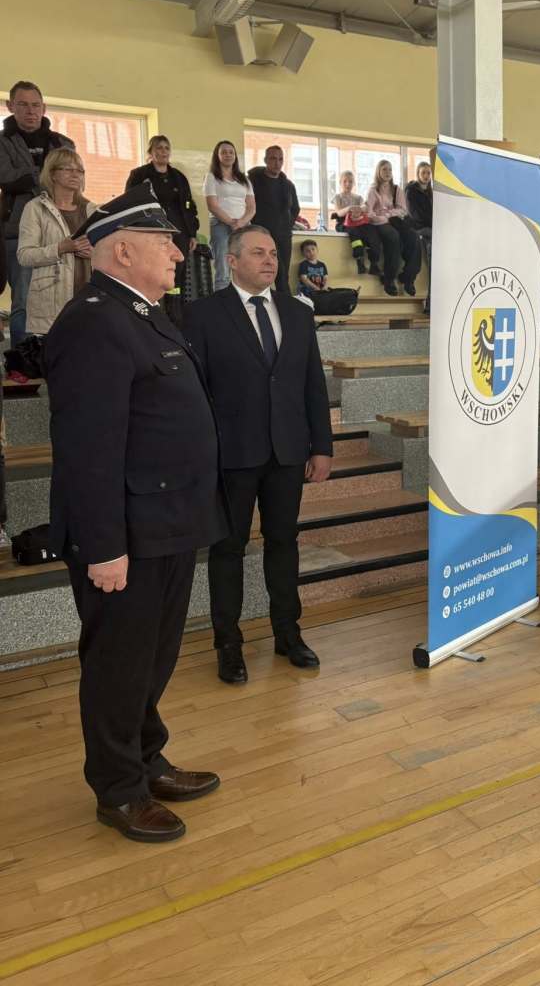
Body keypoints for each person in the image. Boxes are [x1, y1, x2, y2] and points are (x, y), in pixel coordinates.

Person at [44, 184, 228, 842]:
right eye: (165, 243)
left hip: (168, 524)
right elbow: (88, 449)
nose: (179, 254)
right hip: (127, 533)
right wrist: (103, 547)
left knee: (152, 659)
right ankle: (119, 789)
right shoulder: (94, 322)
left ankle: (147, 760)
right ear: (123, 251)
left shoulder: (143, 314)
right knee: (119, 665)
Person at [182, 225, 333, 684]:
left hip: (287, 452)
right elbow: (194, 393)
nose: (270, 260)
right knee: (227, 549)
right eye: (258, 253)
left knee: (283, 543)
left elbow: (313, 384)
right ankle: (228, 644)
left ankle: (288, 633)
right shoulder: (203, 315)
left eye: (273, 253)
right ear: (231, 261)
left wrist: (322, 446)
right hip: (231, 455)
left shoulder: (298, 313)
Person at [0, 81, 73, 346]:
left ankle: (57, 355)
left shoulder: (63, 143)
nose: (30, 111)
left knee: (62, 297)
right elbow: (7, 177)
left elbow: (73, 180)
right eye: (23, 105)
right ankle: (22, 359)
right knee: (24, 299)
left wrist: (30, 177)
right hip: (18, 232)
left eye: (35, 105)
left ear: (44, 107)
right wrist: (49, 175)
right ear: (10, 106)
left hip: (61, 231)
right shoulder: (2, 142)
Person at [17, 148, 96, 334]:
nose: (75, 174)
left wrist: (95, 254)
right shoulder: (35, 208)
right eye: (68, 169)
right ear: (52, 174)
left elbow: (107, 253)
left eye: (80, 170)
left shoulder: (92, 209)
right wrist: (61, 248)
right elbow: (24, 255)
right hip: (52, 303)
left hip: (89, 299)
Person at [125, 136, 199, 300]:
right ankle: (155, 306)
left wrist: (192, 234)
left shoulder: (179, 177)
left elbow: (189, 207)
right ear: (151, 152)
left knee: (176, 273)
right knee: (154, 269)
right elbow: (130, 203)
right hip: (152, 230)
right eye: (159, 148)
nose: (163, 151)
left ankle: (175, 310)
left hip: (179, 232)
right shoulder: (139, 175)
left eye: (166, 148)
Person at [247, 146, 300, 293]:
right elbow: (248, 205)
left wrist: (286, 225)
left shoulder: (288, 185)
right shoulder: (254, 181)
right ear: (265, 160)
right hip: (261, 234)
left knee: (282, 275)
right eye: (273, 158)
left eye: (280, 159)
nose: (277, 163)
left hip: (283, 235)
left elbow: (295, 209)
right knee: (260, 273)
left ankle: (284, 304)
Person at [204, 141, 255, 291]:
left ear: (235, 156)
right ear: (217, 156)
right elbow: (212, 206)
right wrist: (232, 223)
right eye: (224, 152)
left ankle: (244, 300)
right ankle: (223, 302)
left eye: (231, 152)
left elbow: (251, 207)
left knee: (246, 266)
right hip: (220, 225)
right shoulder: (211, 177)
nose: (228, 155)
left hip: (244, 226)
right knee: (223, 268)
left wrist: (241, 223)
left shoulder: (244, 179)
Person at [366, 159, 421, 297]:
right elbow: (369, 213)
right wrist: (381, 217)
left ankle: (408, 278)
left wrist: (389, 214)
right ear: (378, 172)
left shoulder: (397, 190)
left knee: (414, 237)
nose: (388, 172)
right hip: (380, 223)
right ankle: (389, 279)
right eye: (384, 169)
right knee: (393, 237)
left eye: (390, 169)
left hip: (395, 220)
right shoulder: (373, 190)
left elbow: (403, 210)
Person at [332, 170, 380, 276]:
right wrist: (349, 208)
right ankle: (359, 260)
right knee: (354, 232)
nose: (348, 184)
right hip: (344, 223)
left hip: (359, 221)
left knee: (371, 230)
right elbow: (339, 212)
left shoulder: (358, 198)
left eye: (350, 181)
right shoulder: (338, 197)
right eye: (345, 181)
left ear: (354, 183)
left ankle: (374, 263)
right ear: (340, 182)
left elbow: (365, 207)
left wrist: (359, 209)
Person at [405, 160, 433, 314]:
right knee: (432, 257)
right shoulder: (411, 191)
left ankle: (431, 303)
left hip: (432, 229)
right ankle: (430, 304)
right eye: (423, 173)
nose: (426, 176)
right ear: (418, 174)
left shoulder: (432, 192)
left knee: (436, 266)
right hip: (420, 229)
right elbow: (415, 215)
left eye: (428, 173)